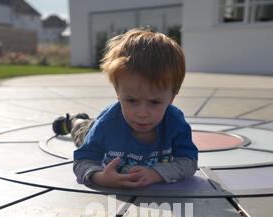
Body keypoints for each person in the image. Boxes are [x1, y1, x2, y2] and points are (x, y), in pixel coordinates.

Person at [52, 29, 198, 188]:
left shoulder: (175, 123)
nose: (142, 113)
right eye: (131, 100)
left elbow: (189, 162)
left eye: (155, 102)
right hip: (93, 130)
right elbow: (82, 160)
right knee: (82, 131)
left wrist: (156, 174)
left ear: (171, 97)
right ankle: (75, 121)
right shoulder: (106, 125)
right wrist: (100, 177)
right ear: (118, 93)